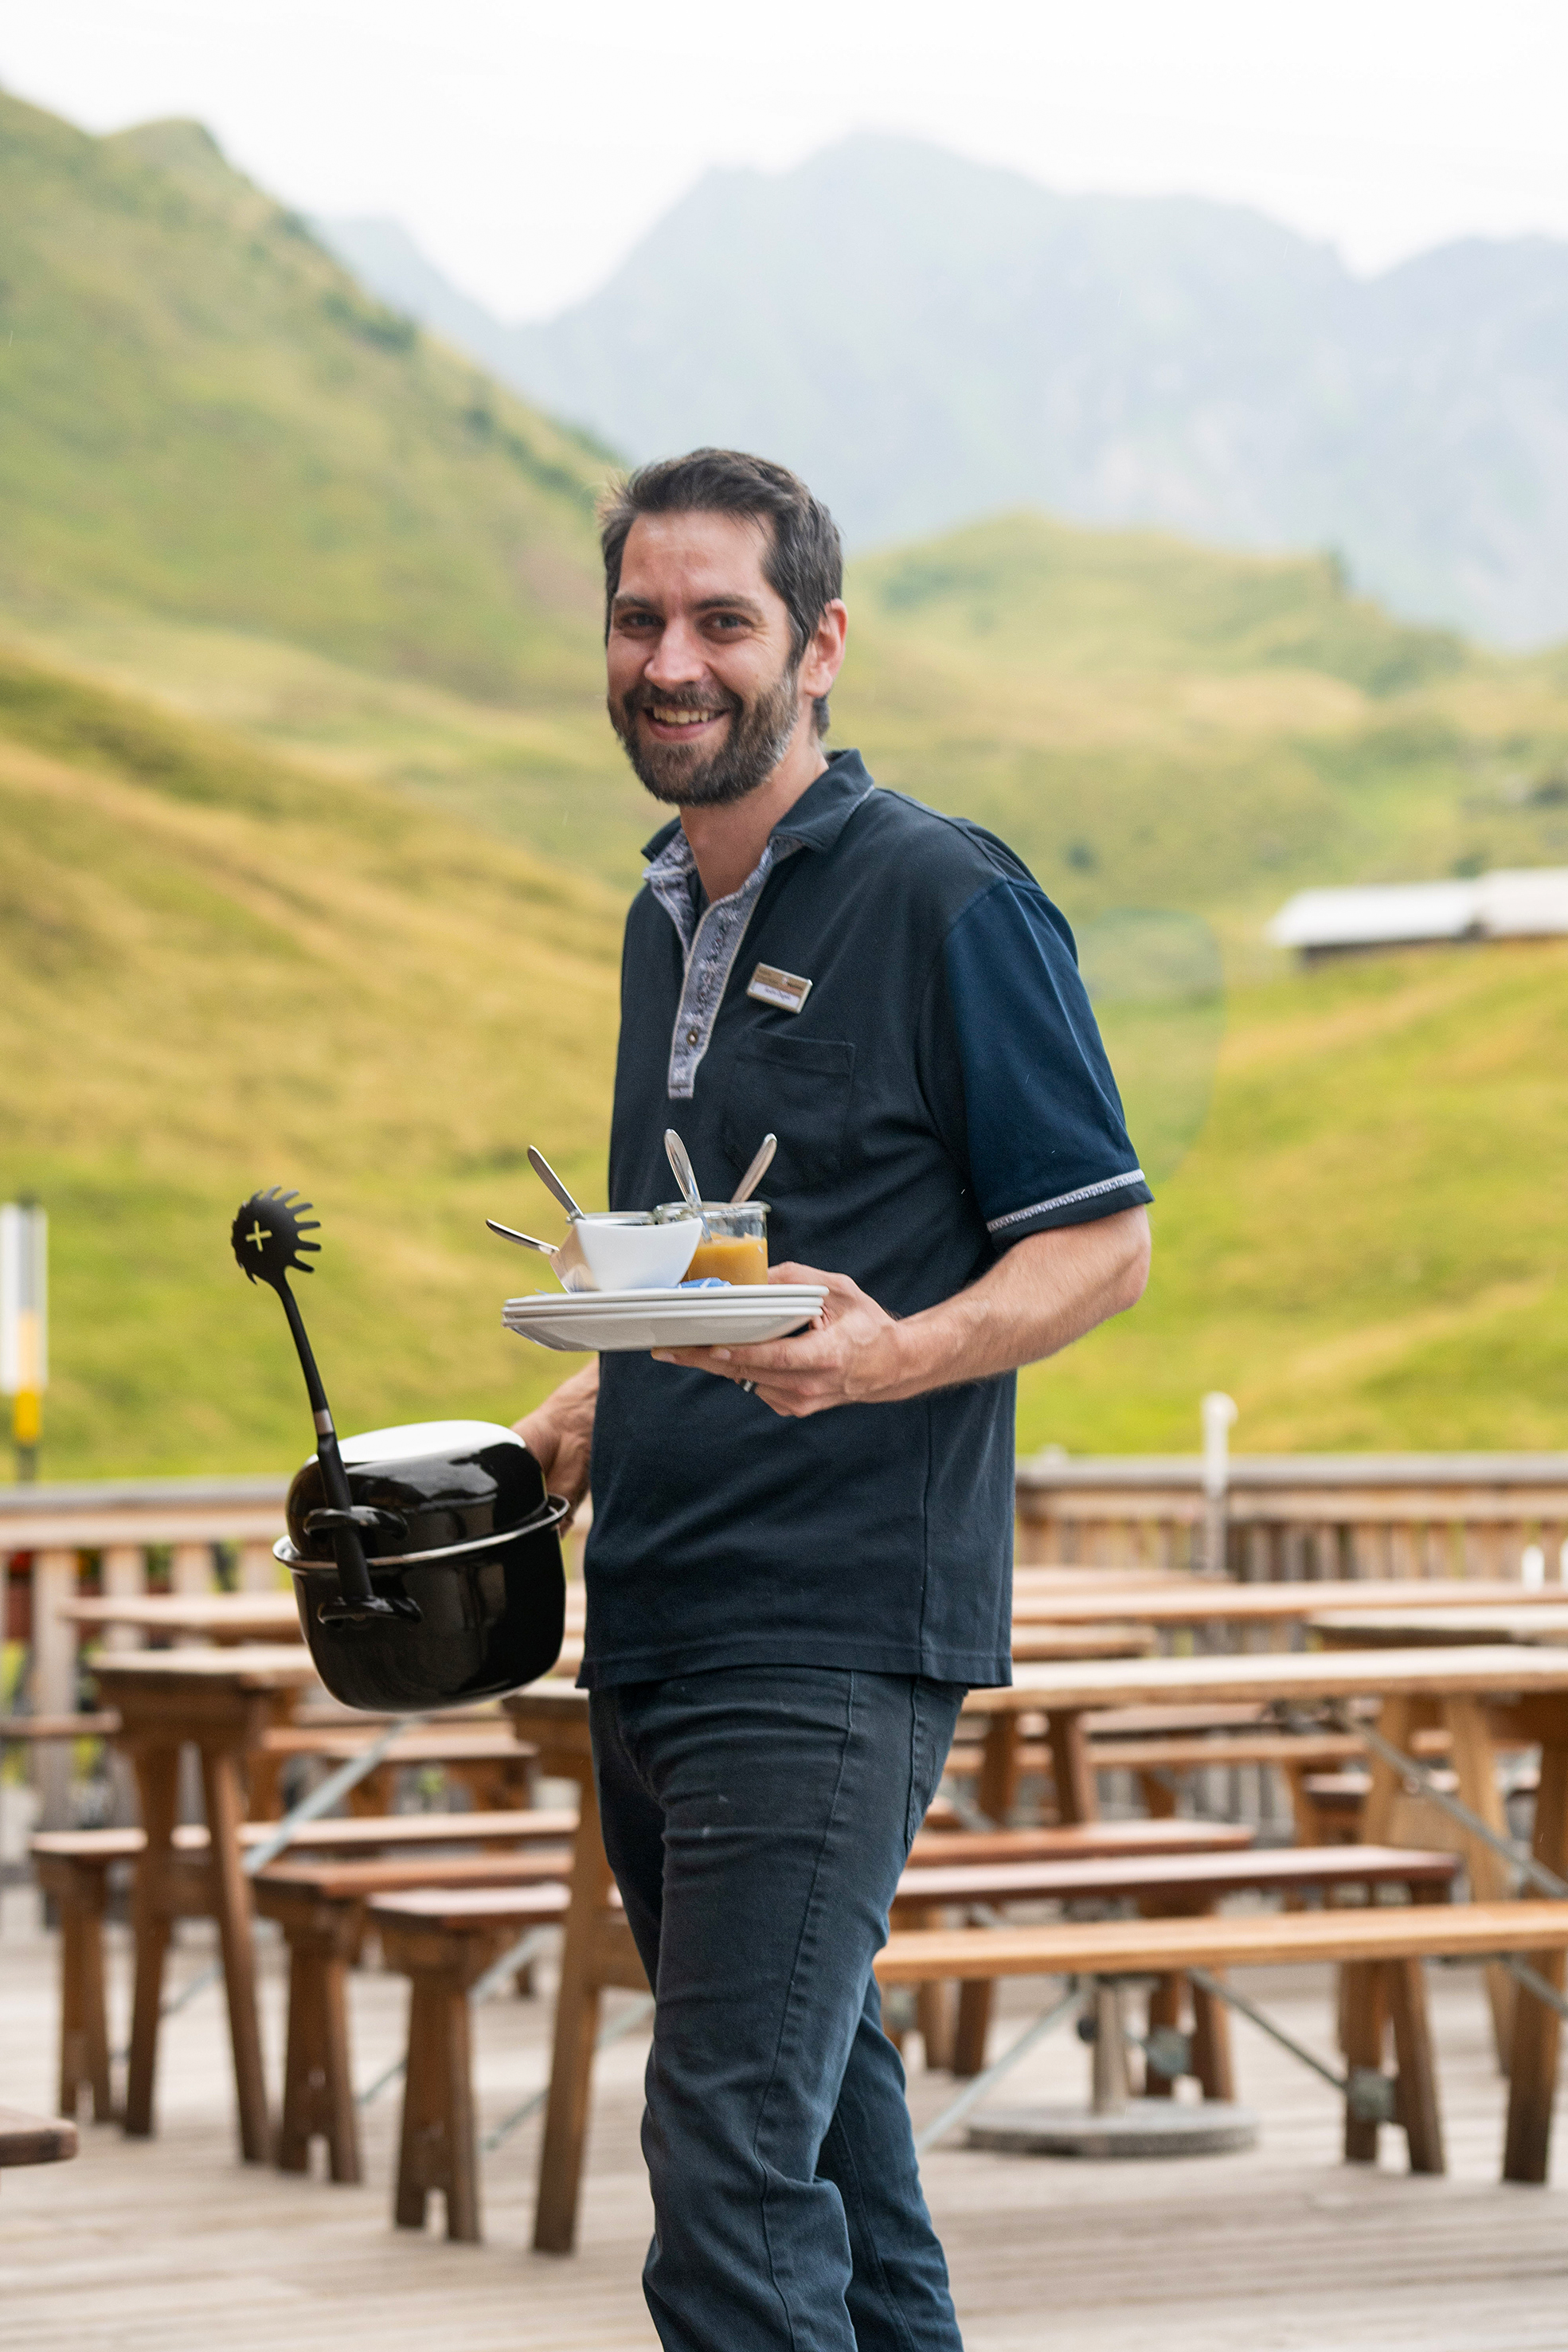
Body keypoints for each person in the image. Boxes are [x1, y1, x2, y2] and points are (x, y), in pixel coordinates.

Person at [517, 448, 1152, 2352]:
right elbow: (708, 1258)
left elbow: (1101, 1243)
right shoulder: (660, 913)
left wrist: (893, 1355)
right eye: (639, 619)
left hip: (832, 1628)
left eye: (722, 619)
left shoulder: (950, 896)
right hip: (654, 1615)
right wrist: (589, 1410)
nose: (671, 660)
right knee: (836, 2174)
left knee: (724, 2176)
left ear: (818, 646)